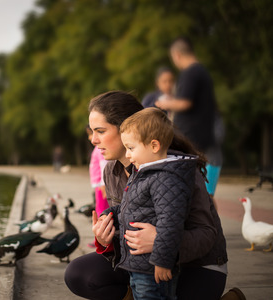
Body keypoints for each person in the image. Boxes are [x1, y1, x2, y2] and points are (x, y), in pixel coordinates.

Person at [64, 91, 242, 300]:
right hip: (143, 264)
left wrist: (161, 242)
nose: (93, 140)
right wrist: (106, 238)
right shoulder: (111, 170)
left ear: (126, 129)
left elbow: (206, 235)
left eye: (100, 131)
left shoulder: (176, 169)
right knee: (78, 274)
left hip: (195, 265)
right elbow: (129, 225)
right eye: (92, 131)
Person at [105, 107, 196, 299]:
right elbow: (130, 207)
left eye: (131, 148)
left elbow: (171, 222)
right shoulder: (144, 173)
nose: (128, 155)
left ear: (154, 146)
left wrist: (162, 261)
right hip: (139, 265)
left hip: (152, 267)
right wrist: (110, 214)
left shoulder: (166, 179)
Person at [156, 37, 223, 197]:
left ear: (177, 55)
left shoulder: (190, 72)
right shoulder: (202, 72)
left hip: (193, 139)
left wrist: (164, 104)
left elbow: (185, 103)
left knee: (198, 193)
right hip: (203, 137)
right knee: (205, 194)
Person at [86, 125, 109, 216]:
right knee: (99, 207)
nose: (90, 138)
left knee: (102, 209)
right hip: (98, 184)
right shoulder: (97, 149)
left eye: (90, 134)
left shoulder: (100, 149)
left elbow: (104, 166)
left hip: (101, 185)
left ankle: (103, 227)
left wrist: (104, 184)